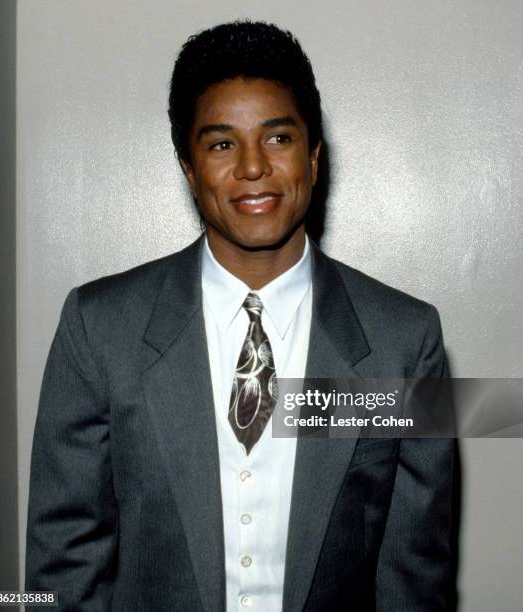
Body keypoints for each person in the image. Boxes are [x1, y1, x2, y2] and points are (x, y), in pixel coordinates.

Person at [26, 20, 453, 611]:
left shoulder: (407, 340)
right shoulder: (97, 328)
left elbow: (416, 576)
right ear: (188, 167)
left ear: (313, 153)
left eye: (277, 138)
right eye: (222, 143)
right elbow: (62, 565)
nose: (253, 167)